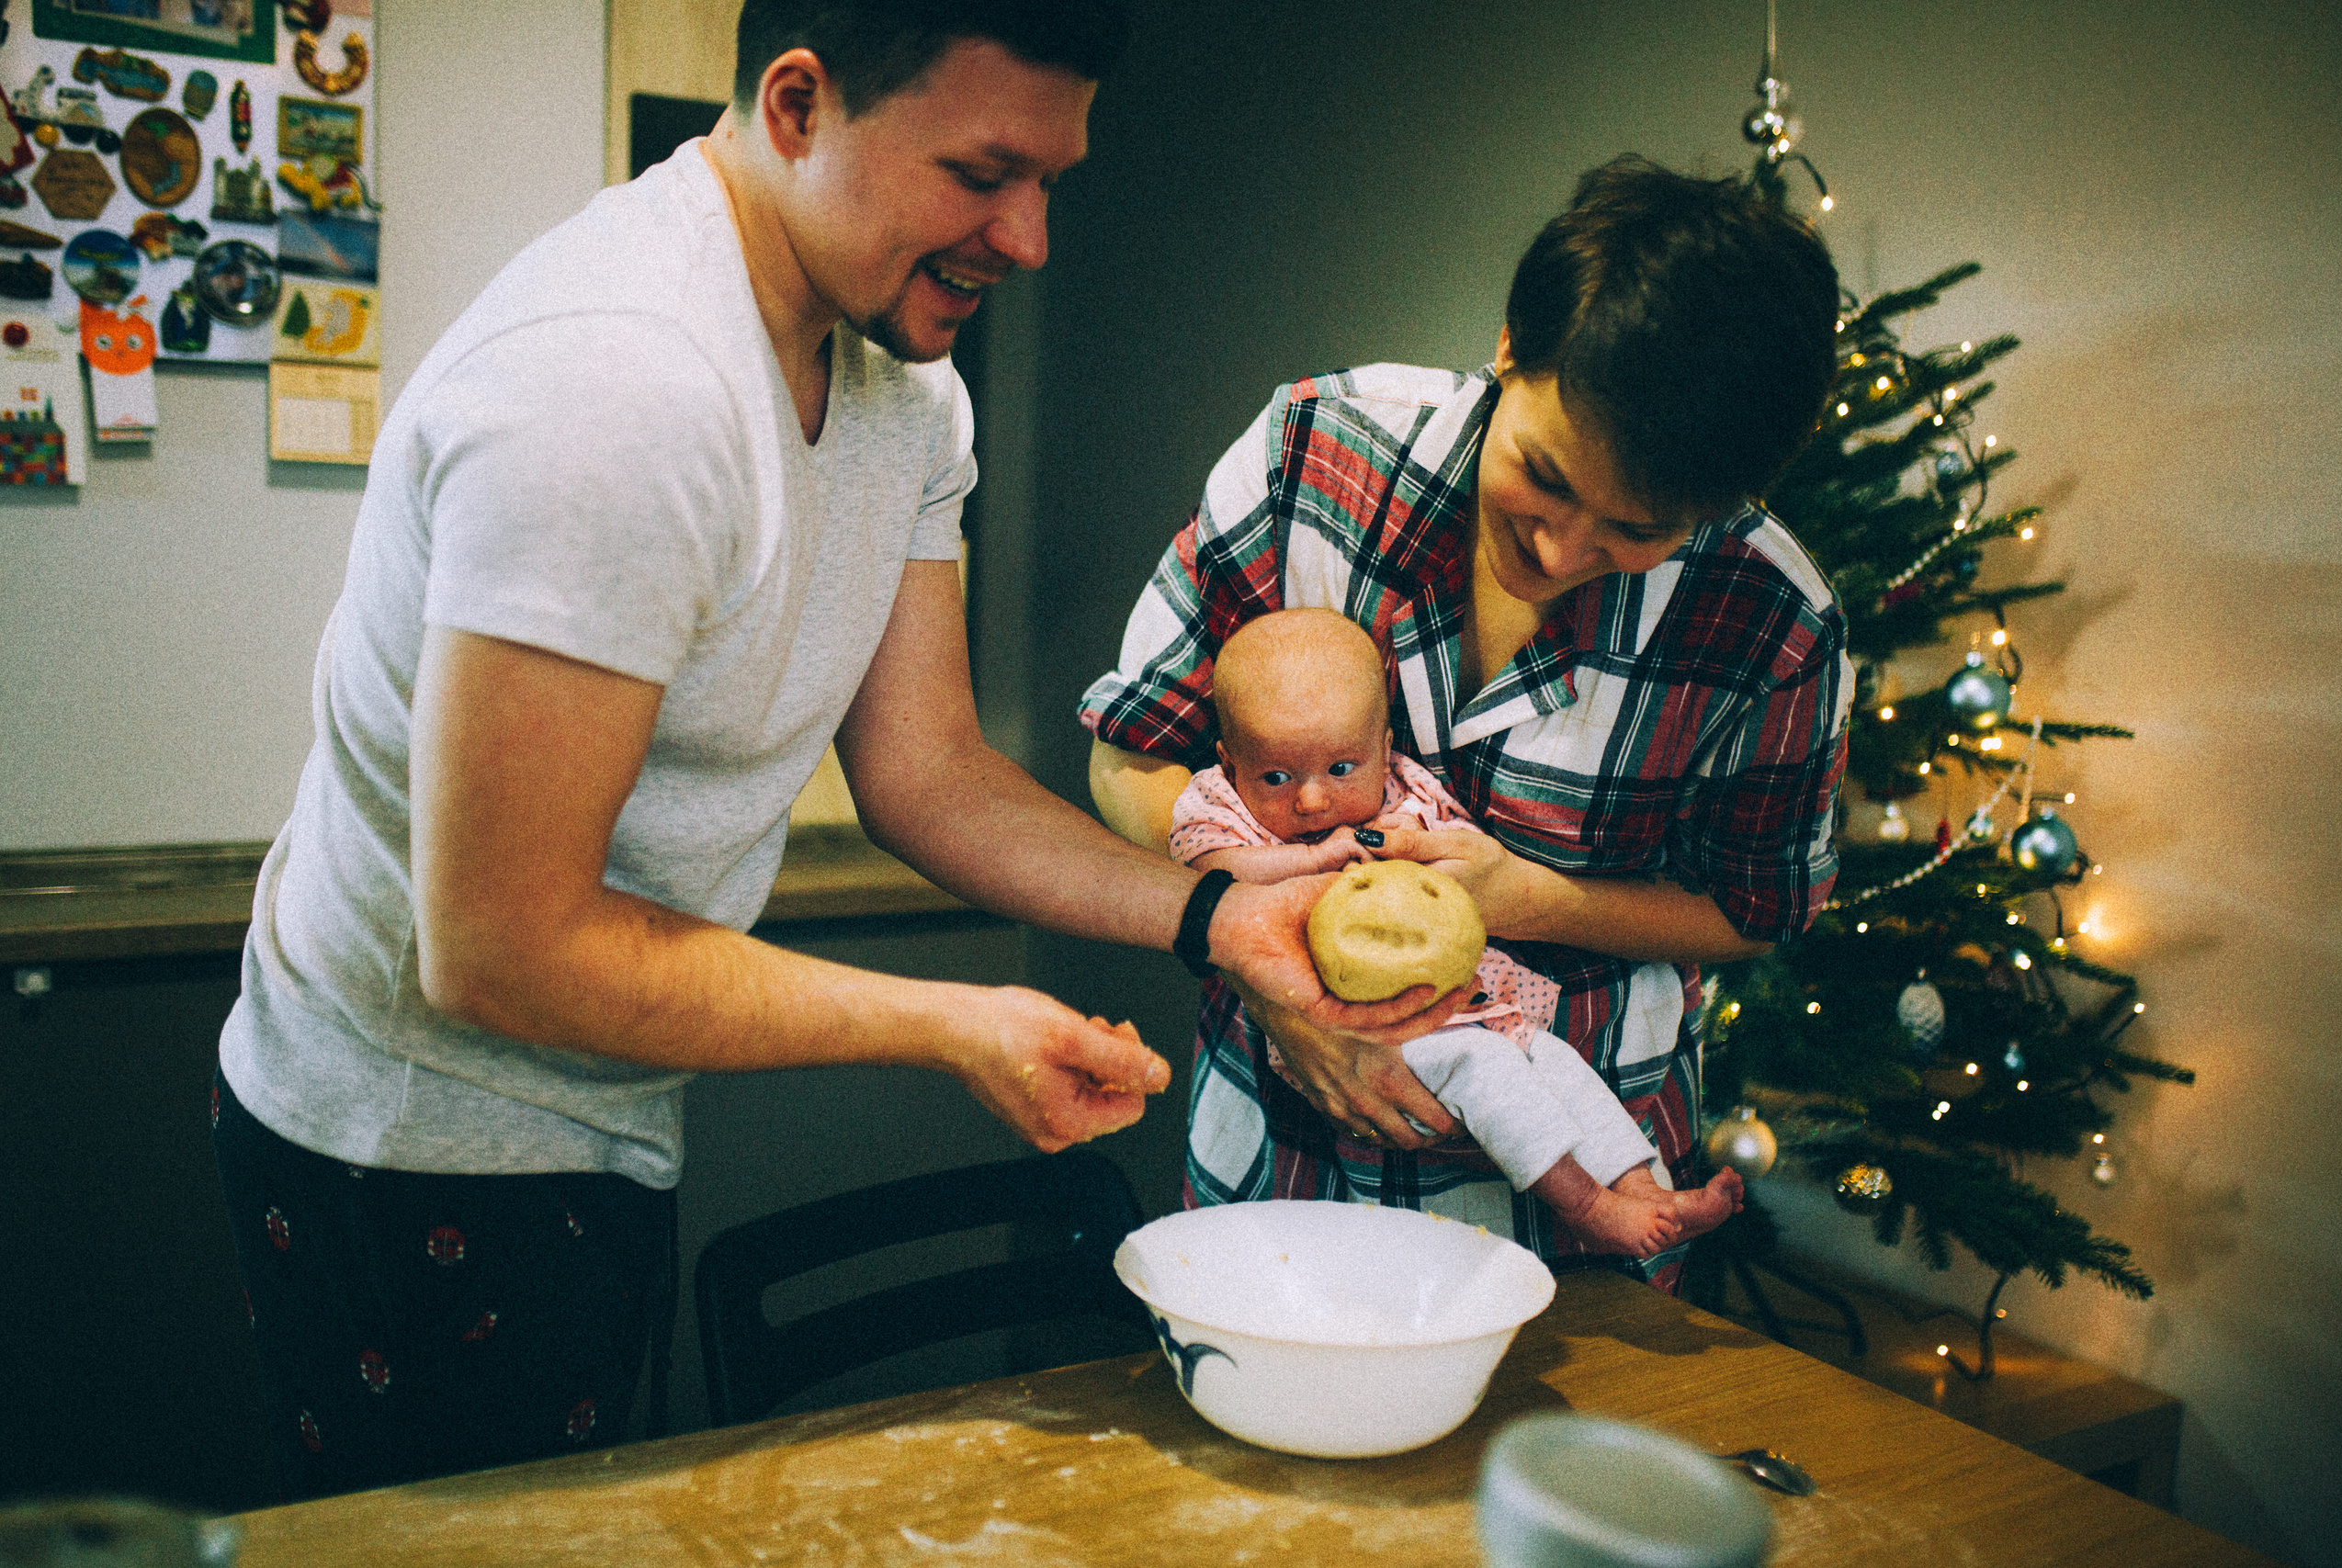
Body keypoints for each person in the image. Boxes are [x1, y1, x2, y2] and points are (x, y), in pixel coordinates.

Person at [211, 0, 1448, 1502]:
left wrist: (1214, 910)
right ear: (796, 105)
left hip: (602, 1107)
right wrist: (954, 1024)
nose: (1033, 237)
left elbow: (927, 772)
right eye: (984, 172)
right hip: (403, 1138)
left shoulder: (909, 388)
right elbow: (503, 946)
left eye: (1051, 178)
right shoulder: (619, 391)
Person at [1084, 156, 1852, 1292]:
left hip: (1578, 1214)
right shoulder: (1314, 455)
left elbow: (1758, 911)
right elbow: (1127, 751)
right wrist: (1270, 945)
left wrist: (1535, 900)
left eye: (1633, 532)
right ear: (1508, 346)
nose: (1558, 552)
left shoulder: (1769, 624)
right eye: (1543, 478)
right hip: (1281, 1163)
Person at [1171, 607, 1747, 1258]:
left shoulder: (1405, 788)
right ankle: (1587, 1206)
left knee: (1553, 1060)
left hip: (1464, 1003)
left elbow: (1461, 845)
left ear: (1383, 749)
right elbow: (1210, 869)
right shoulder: (1220, 803)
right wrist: (1308, 860)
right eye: (1275, 776)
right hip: (1353, 1027)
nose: (1310, 802)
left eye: (1340, 769)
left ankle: (1641, 1184)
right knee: (1488, 1068)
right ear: (1229, 759)